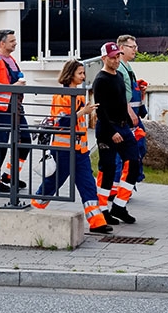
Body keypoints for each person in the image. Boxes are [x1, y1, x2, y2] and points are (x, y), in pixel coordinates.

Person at [31, 59, 111, 234]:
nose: (83, 76)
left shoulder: (77, 94)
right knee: (53, 183)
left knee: (88, 184)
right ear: (70, 75)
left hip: (79, 151)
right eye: (80, 73)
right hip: (63, 150)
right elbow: (61, 122)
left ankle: (97, 222)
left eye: (83, 73)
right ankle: (35, 208)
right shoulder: (62, 95)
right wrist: (82, 112)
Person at [93, 42, 140, 225]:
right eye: (112, 57)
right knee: (108, 168)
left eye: (117, 56)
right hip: (107, 128)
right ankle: (102, 209)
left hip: (123, 127)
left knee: (133, 163)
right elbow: (100, 109)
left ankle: (119, 206)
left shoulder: (119, 75)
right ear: (104, 58)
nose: (115, 60)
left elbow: (121, 102)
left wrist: (128, 123)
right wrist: (111, 131)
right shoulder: (101, 80)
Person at [0, 28, 32, 193]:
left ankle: (9, 175)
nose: (15, 43)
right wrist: (13, 87)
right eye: (12, 41)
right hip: (1, 108)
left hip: (15, 107)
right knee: (0, 144)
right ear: (2, 43)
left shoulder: (11, 60)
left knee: (25, 141)